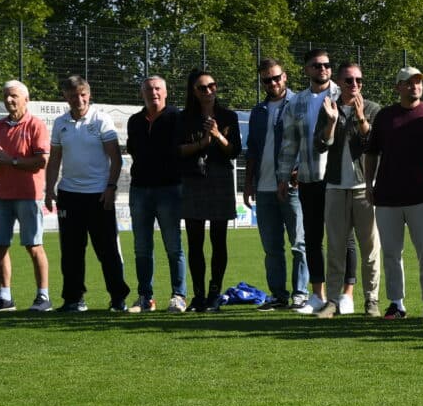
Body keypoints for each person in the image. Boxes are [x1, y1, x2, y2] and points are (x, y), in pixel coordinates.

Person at [45, 74, 129, 313]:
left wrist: (110, 188)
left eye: (82, 95)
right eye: (73, 96)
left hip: (99, 195)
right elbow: (54, 160)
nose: (78, 100)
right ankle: (73, 300)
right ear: (65, 97)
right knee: (70, 252)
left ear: (89, 95)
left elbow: (115, 159)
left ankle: (118, 299)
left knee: (108, 250)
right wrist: (49, 190)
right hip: (69, 195)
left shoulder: (101, 120)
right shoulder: (60, 123)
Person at [368, 66, 423, 319]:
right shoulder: (384, 116)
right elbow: (371, 152)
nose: (415, 87)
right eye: (409, 83)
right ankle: (396, 303)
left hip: (422, 195)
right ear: (397, 87)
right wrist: (369, 185)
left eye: (419, 82)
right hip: (387, 196)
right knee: (390, 253)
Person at [312, 60, 379, 318]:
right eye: (349, 80)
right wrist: (330, 122)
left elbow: (372, 143)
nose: (354, 85)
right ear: (338, 82)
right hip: (335, 188)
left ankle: (371, 300)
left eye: (359, 81)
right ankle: (332, 301)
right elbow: (320, 145)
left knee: (370, 250)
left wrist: (361, 119)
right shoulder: (328, 107)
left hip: (365, 189)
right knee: (336, 248)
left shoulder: (372, 109)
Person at [0, 80, 51, 313]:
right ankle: (4, 297)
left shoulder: (36, 125)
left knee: (34, 246)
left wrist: (9, 160)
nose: (8, 100)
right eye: (5, 96)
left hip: (28, 195)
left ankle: (43, 296)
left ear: (25, 99)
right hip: (2, 195)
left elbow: (41, 161)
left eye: (13, 96)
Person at [291, 49, 351, 314]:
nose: (323, 69)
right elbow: (289, 143)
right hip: (308, 177)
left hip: (338, 177)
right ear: (307, 69)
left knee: (344, 238)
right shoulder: (297, 102)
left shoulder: (344, 94)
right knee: (313, 238)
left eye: (327, 65)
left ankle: (347, 295)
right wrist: (285, 175)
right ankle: (317, 295)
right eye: (316, 65)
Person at [243, 61, 307, 310]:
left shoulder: (300, 104)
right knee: (271, 248)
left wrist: (299, 170)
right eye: (266, 80)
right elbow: (253, 151)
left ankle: (300, 293)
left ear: (285, 76)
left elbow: (308, 141)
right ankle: (279, 295)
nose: (272, 83)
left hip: (292, 186)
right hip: (264, 187)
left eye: (276, 78)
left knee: (298, 244)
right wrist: (248, 184)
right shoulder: (258, 111)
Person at [177, 68, 240, 312]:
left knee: (218, 240)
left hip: (220, 178)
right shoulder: (183, 118)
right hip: (193, 179)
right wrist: (201, 144)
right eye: (202, 87)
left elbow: (234, 151)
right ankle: (199, 295)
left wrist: (217, 136)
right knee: (194, 242)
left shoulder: (228, 116)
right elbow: (177, 150)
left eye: (212, 86)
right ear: (193, 91)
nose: (208, 91)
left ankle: (215, 293)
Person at [125, 75, 188, 314]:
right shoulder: (134, 121)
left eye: (158, 88)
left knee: (174, 246)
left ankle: (179, 296)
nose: (154, 92)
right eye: (149, 89)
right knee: (142, 248)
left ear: (166, 91)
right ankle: (145, 298)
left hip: (170, 189)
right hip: (140, 189)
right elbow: (133, 150)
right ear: (142, 93)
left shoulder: (177, 118)